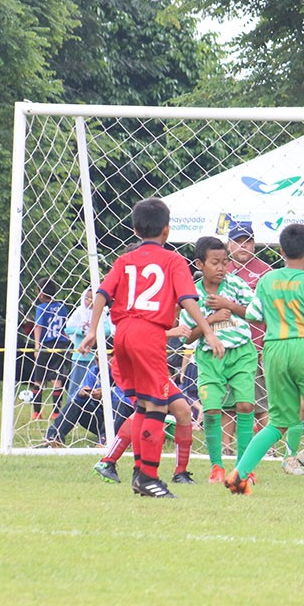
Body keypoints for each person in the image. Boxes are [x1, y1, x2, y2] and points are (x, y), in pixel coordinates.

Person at [79, 198, 224, 498]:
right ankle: (148, 477)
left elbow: (101, 293)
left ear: (135, 230)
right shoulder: (173, 261)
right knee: (157, 405)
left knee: (143, 406)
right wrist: (209, 332)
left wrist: (93, 330)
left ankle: (138, 473)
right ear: (167, 230)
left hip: (122, 334)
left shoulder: (125, 260)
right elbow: (187, 299)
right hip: (148, 335)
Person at [224, 223, 304, 500]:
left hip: (273, 348)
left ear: (281, 251)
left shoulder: (267, 280)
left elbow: (254, 314)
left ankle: (239, 473)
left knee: (278, 421)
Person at [179, 236, 258, 484]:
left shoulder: (236, 285)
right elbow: (187, 337)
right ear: (200, 264)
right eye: (215, 263)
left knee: (245, 405)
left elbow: (256, 314)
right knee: (212, 409)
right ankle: (216, 466)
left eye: (225, 262)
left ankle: (244, 468)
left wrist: (229, 305)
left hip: (241, 353)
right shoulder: (192, 295)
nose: (222, 268)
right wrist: (210, 321)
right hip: (210, 357)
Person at [223, 221, 273, 444]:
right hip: (226, 346)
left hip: (256, 347)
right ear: (229, 244)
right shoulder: (221, 269)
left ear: (254, 244)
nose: (243, 246)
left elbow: (270, 311)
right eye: (237, 241)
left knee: (261, 403)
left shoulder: (265, 272)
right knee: (227, 403)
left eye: (247, 241)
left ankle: (267, 448)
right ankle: (225, 447)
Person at [43, 359, 135, 446]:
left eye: (103, 359)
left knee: (120, 405)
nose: (99, 362)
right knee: (77, 403)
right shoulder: (94, 371)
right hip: (101, 420)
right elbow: (77, 394)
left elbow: (133, 401)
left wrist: (108, 393)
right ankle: (53, 437)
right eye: (96, 359)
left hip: (126, 421)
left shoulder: (128, 372)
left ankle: (105, 441)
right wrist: (81, 393)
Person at [31, 278, 70, 420]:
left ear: (41, 293)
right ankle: (56, 412)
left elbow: (38, 326)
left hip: (46, 346)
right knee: (57, 379)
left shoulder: (41, 308)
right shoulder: (61, 307)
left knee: (39, 380)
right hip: (60, 345)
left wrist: (37, 346)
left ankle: (37, 412)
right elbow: (64, 326)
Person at [65, 287, 114, 400]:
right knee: (75, 386)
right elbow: (68, 329)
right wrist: (82, 331)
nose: (89, 301)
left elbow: (108, 329)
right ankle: (71, 405)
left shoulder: (102, 313)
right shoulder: (78, 312)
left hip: (93, 357)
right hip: (79, 356)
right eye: (87, 298)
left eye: (93, 299)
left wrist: (94, 330)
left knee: (93, 385)